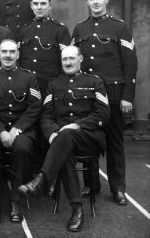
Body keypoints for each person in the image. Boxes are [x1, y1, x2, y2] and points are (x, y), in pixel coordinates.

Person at [19, 45, 110, 232]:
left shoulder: (95, 82)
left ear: (81, 59)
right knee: (65, 150)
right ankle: (77, 210)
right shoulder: (54, 84)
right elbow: (45, 115)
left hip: (89, 137)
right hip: (62, 141)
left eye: (71, 58)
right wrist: (52, 133)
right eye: (64, 59)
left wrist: (77, 125)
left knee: (66, 135)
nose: (68, 62)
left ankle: (42, 179)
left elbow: (103, 114)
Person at [72, 0, 138, 205]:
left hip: (113, 95)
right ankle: (92, 184)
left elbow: (130, 65)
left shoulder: (120, 28)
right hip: (87, 96)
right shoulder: (80, 29)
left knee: (115, 142)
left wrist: (128, 96)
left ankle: (118, 188)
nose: (96, 2)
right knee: (89, 140)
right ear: (87, 2)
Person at [0, 39, 42, 224]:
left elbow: (34, 107)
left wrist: (17, 128)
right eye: (4, 52)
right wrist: (1, 131)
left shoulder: (29, 77)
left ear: (18, 54)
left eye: (12, 52)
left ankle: (16, 200)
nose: (8, 55)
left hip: (22, 130)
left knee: (23, 148)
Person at [17, 0, 71, 95]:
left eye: (43, 4)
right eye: (36, 4)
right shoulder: (24, 30)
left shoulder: (60, 30)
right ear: (31, 6)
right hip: (27, 87)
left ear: (50, 6)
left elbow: (66, 62)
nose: (39, 7)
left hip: (51, 87)